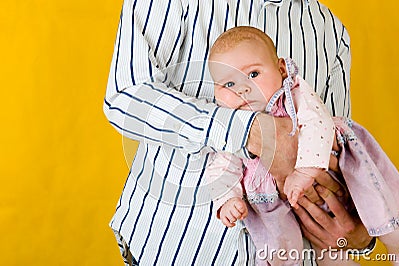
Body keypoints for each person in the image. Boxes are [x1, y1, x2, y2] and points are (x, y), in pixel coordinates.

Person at [103, 0, 374, 265]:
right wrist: (251, 132)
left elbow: (339, 159)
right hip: (175, 249)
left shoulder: (330, 32)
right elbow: (125, 97)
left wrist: (361, 235)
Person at [205, 26, 399, 265]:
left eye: (254, 74)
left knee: (372, 197)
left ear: (281, 69)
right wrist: (227, 199)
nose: (243, 89)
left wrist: (304, 170)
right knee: (298, 247)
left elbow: (317, 122)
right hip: (288, 205)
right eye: (229, 85)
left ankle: (394, 241)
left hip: (336, 172)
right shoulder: (230, 125)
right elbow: (221, 166)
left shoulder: (293, 94)